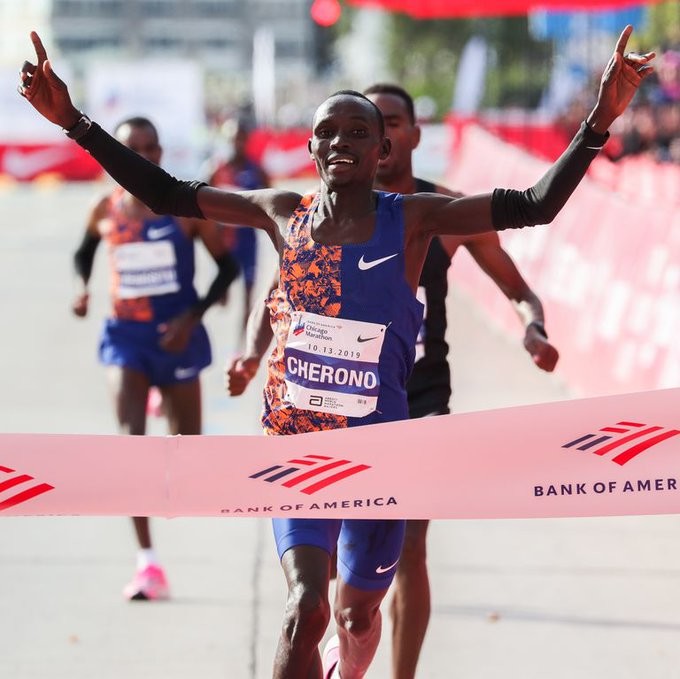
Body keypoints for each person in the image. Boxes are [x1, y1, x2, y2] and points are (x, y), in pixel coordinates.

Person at [20, 27, 653, 678]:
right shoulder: (282, 212)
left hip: (381, 453)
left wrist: (599, 120)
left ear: (383, 149)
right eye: (326, 132)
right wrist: (73, 122)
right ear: (311, 146)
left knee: (355, 619)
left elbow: (535, 205)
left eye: (357, 132)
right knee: (305, 605)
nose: (339, 142)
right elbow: (167, 194)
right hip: (295, 450)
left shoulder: (413, 218)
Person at [226, 82, 561, 679]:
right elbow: (280, 291)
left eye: (382, 123)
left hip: (416, 402)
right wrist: (252, 353)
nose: (348, 140)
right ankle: (332, 641)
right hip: (320, 414)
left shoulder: (438, 212)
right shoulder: (310, 218)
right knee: (315, 588)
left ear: (401, 137)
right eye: (336, 130)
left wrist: (532, 327)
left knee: (405, 553)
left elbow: (518, 280)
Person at [70, 115, 239, 600]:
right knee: (133, 451)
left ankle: (162, 396)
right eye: (132, 148)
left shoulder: (183, 209)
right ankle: (147, 562)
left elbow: (227, 269)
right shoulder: (104, 207)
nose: (142, 156)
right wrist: (82, 288)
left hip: (176, 339)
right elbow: (83, 254)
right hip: (126, 339)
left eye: (150, 148)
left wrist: (192, 316)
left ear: (162, 154)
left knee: (188, 454)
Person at [204, 117, 270, 333]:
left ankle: (243, 342)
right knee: (222, 294)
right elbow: (198, 198)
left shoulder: (256, 170)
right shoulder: (216, 168)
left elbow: (272, 200)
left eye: (241, 138)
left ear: (246, 139)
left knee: (249, 294)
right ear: (226, 139)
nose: (237, 143)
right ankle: (223, 294)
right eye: (233, 139)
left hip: (247, 238)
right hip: (224, 239)